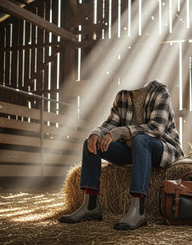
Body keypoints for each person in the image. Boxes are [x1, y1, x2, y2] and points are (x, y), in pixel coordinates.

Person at [59, 79, 184, 230]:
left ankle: (139, 210)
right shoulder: (122, 95)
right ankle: (91, 205)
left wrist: (120, 132)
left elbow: (156, 128)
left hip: (163, 148)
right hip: (135, 150)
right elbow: (111, 123)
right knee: (90, 143)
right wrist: (96, 133)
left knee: (140, 140)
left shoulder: (159, 92)